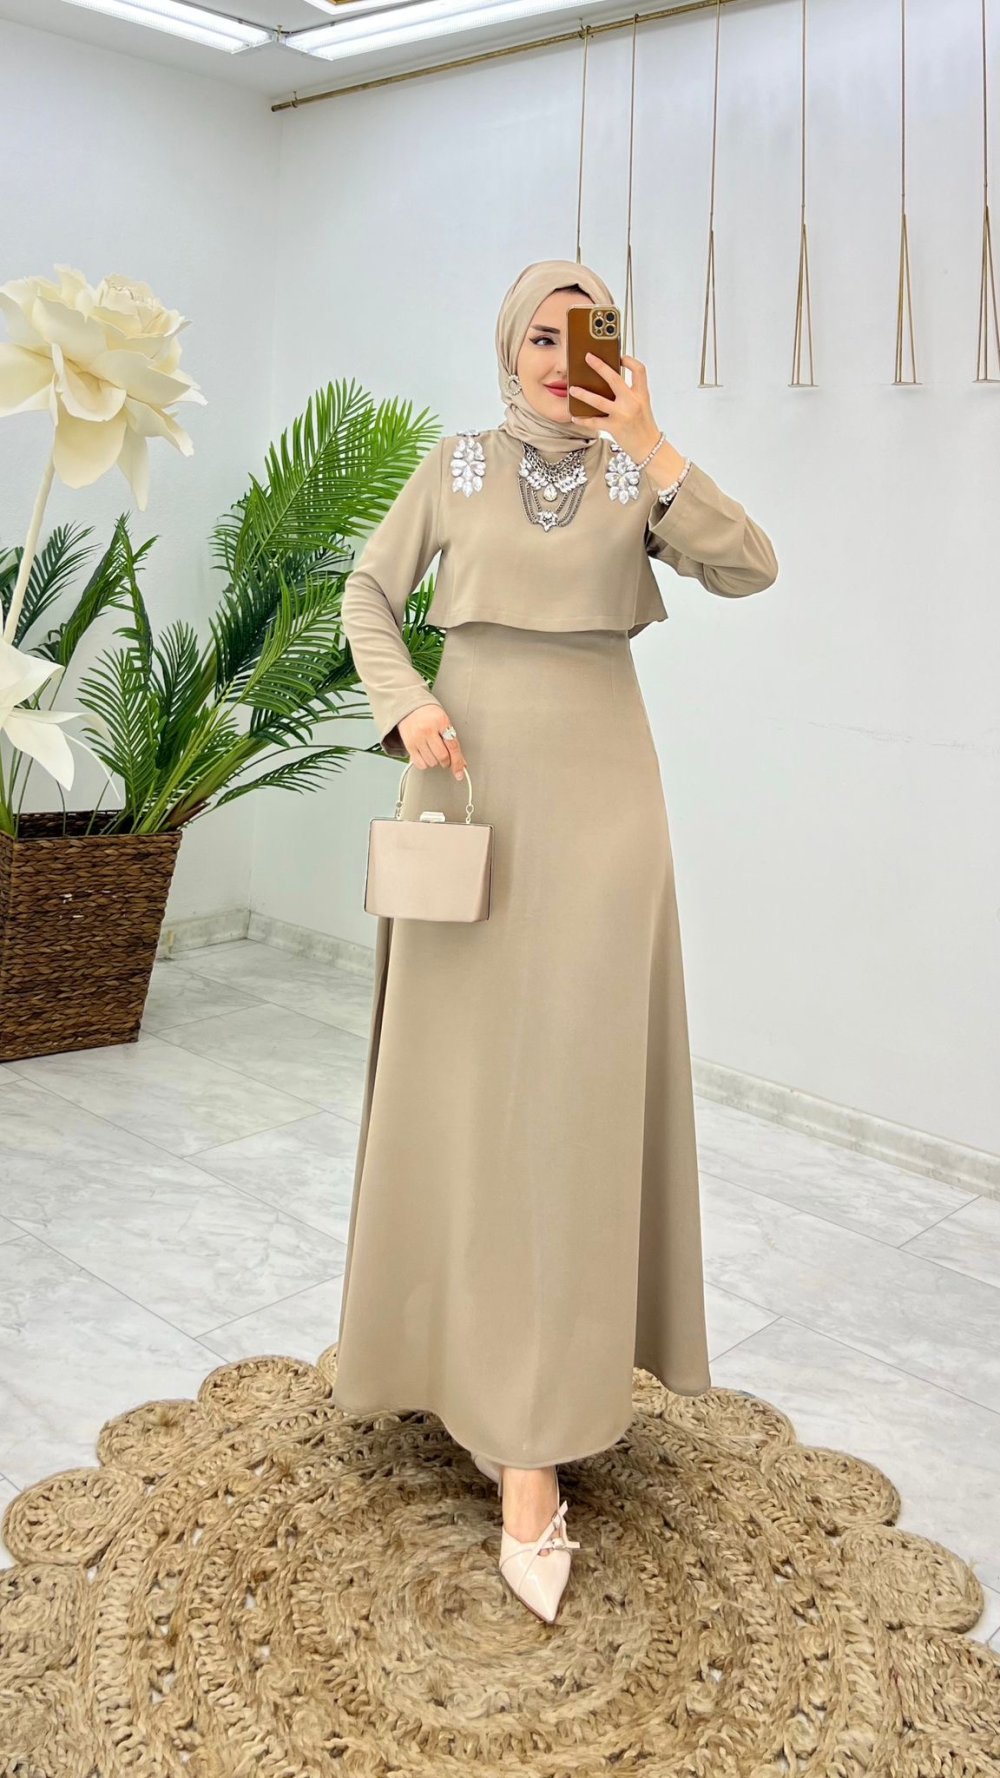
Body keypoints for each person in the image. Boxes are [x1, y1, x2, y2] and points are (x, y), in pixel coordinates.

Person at [333, 257, 778, 1624]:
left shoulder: (637, 477)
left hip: (601, 805)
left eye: (587, 336)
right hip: (468, 787)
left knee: (572, 1104)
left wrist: (652, 442)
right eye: (540, 333)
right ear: (507, 345)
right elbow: (365, 595)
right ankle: (441, 1353)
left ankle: (537, 1431)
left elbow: (750, 566)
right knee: (463, 1090)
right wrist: (408, 702)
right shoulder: (452, 465)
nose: (557, 355)